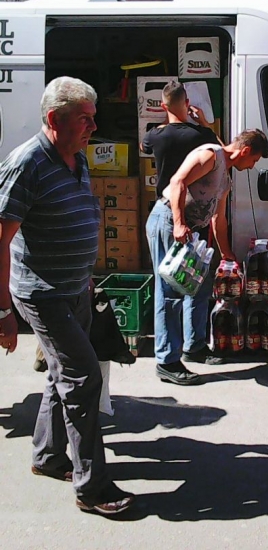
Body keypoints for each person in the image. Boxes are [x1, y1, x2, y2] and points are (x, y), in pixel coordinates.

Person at [0, 76, 134, 517]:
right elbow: (1, 240)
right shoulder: (27, 163)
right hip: (43, 294)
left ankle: (48, 456)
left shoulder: (76, 159)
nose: (94, 127)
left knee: (62, 374)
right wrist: (2, 310)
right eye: (85, 119)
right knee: (84, 377)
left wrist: (86, 276)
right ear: (56, 119)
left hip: (75, 287)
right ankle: (92, 487)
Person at [147, 128, 268, 386]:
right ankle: (167, 361)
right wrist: (179, 223)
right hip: (169, 222)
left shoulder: (225, 177)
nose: (252, 166)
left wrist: (227, 254)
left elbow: (218, 218)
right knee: (170, 291)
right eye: (254, 160)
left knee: (200, 285)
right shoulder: (210, 156)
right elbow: (177, 182)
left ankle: (195, 347)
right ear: (245, 151)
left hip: (190, 231)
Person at [141, 79, 224, 372]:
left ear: (163, 106)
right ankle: (178, 353)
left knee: (180, 284)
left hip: (170, 213)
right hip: (183, 217)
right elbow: (219, 150)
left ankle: (192, 347)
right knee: (185, 285)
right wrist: (204, 123)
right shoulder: (200, 135)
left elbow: (144, 143)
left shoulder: (156, 135)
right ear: (187, 103)